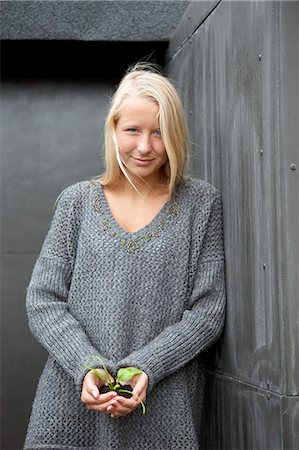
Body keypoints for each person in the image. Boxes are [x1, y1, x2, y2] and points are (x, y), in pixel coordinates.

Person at [24, 62, 226, 450]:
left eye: (159, 132)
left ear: (175, 136)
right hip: (71, 405)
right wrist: (88, 366)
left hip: (163, 410)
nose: (145, 146)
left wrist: (146, 367)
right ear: (114, 130)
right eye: (132, 130)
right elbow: (44, 300)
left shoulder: (200, 204)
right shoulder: (77, 203)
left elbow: (208, 311)